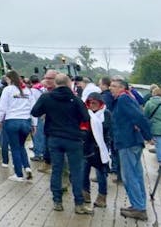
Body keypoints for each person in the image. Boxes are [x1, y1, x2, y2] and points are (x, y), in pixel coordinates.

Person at [32, 73, 92, 214]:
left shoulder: (46, 97)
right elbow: (85, 116)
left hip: (54, 138)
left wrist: (47, 112)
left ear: (56, 83)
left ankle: (57, 202)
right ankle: (79, 204)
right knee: (76, 171)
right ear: (69, 83)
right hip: (73, 139)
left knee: (57, 170)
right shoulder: (75, 99)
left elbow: (35, 112)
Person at [110, 78, 153, 221]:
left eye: (114, 86)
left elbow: (139, 117)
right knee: (137, 175)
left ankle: (139, 208)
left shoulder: (123, 99)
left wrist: (148, 135)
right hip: (132, 141)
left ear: (122, 88)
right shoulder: (127, 97)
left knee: (129, 176)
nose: (111, 88)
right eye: (110, 85)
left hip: (128, 142)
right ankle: (139, 205)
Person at [0, 70, 34, 181]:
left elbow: (2, 106)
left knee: (14, 148)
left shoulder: (7, 90)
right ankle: (27, 167)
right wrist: (34, 124)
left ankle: (18, 174)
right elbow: (33, 108)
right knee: (21, 145)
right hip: (26, 121)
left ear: (9, 79)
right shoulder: (27, 90)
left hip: (12, 120)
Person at [82, 92, 112, 208]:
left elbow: (107, 129)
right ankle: (85, 193)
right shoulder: (86, 113)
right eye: (90, 102)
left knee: (101, 173)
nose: (92, 105)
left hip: (101, 147)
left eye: (95, 103)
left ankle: (102, 196)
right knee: (84, 171)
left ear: (100, 103)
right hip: (87, 146)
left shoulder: (106, 113)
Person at [29, 74, 46, 163]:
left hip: (37, 114)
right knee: (42, 134)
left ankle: (38, 154)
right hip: (44, 113)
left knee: (37, 134)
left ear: (31, 82)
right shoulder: (42, 89)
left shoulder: (32, 90)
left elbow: (32, 103)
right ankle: (43, 152)